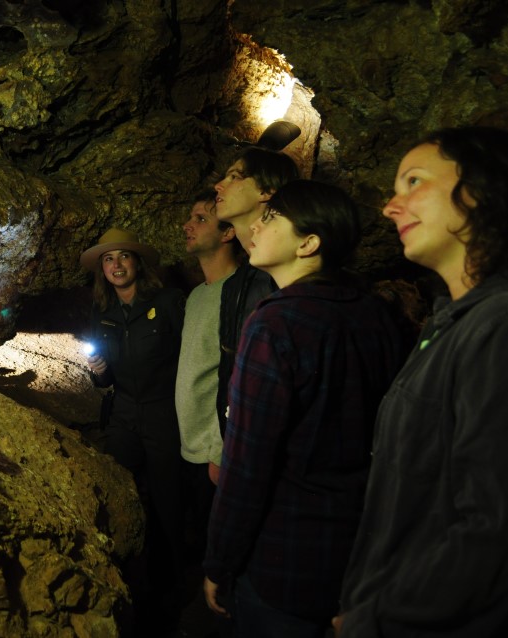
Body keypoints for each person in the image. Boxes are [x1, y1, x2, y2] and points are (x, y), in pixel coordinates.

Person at [335, 126, 508, 637]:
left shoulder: (504, 324)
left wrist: (377, 618)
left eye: (414, 181)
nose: (389, 208)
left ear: (480, 188)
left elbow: (498, 531)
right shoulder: (451, 323)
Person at [203, 180, 406, 637]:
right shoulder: (373, 312)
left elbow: (248, 464)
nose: (256, 226)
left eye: (271, 218)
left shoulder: (275, 324)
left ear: (309, 243)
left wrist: (219, 561)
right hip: (357, 548)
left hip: (285, 556)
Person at [80, 228, 186, 633]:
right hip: (123, 412)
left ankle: (171, 594)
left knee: (168, 503)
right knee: (113, 490)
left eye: (124, 256)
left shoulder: (168, 302)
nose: (117, 265)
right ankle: (118, 581)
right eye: (108, 259)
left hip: (163, 413)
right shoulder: (102, 310)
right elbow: (103, 379)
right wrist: (98, 372)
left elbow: (190, 359)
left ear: (138, 263)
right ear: (102, 270)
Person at [213, 147, 301, 464]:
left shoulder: (289, 276)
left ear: (267, 191)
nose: (219, 185)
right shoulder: (236, 283)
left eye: (235, 177)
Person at [175, 195, 242, 564]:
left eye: (200, 218)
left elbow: (239, 379)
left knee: (220, 548)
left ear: (228, 232)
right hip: (191, 445)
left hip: (216, 452)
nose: (188, 225)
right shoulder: (198, 295)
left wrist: (220, 451)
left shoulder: (241, 293)